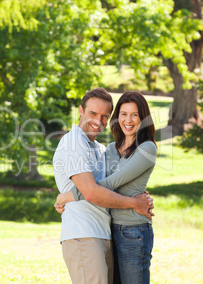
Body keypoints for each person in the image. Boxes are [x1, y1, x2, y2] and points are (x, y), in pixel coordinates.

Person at [53, 88, 153, 284]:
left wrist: (140, 197)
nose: (98, 121)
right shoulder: (73, 143)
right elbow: (90, 191)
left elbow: (114, 184)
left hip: (105, 234)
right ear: (81, 111)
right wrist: (134, 203)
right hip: (83, 235)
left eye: (105, 116)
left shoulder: (101, 149)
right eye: (93, 113)